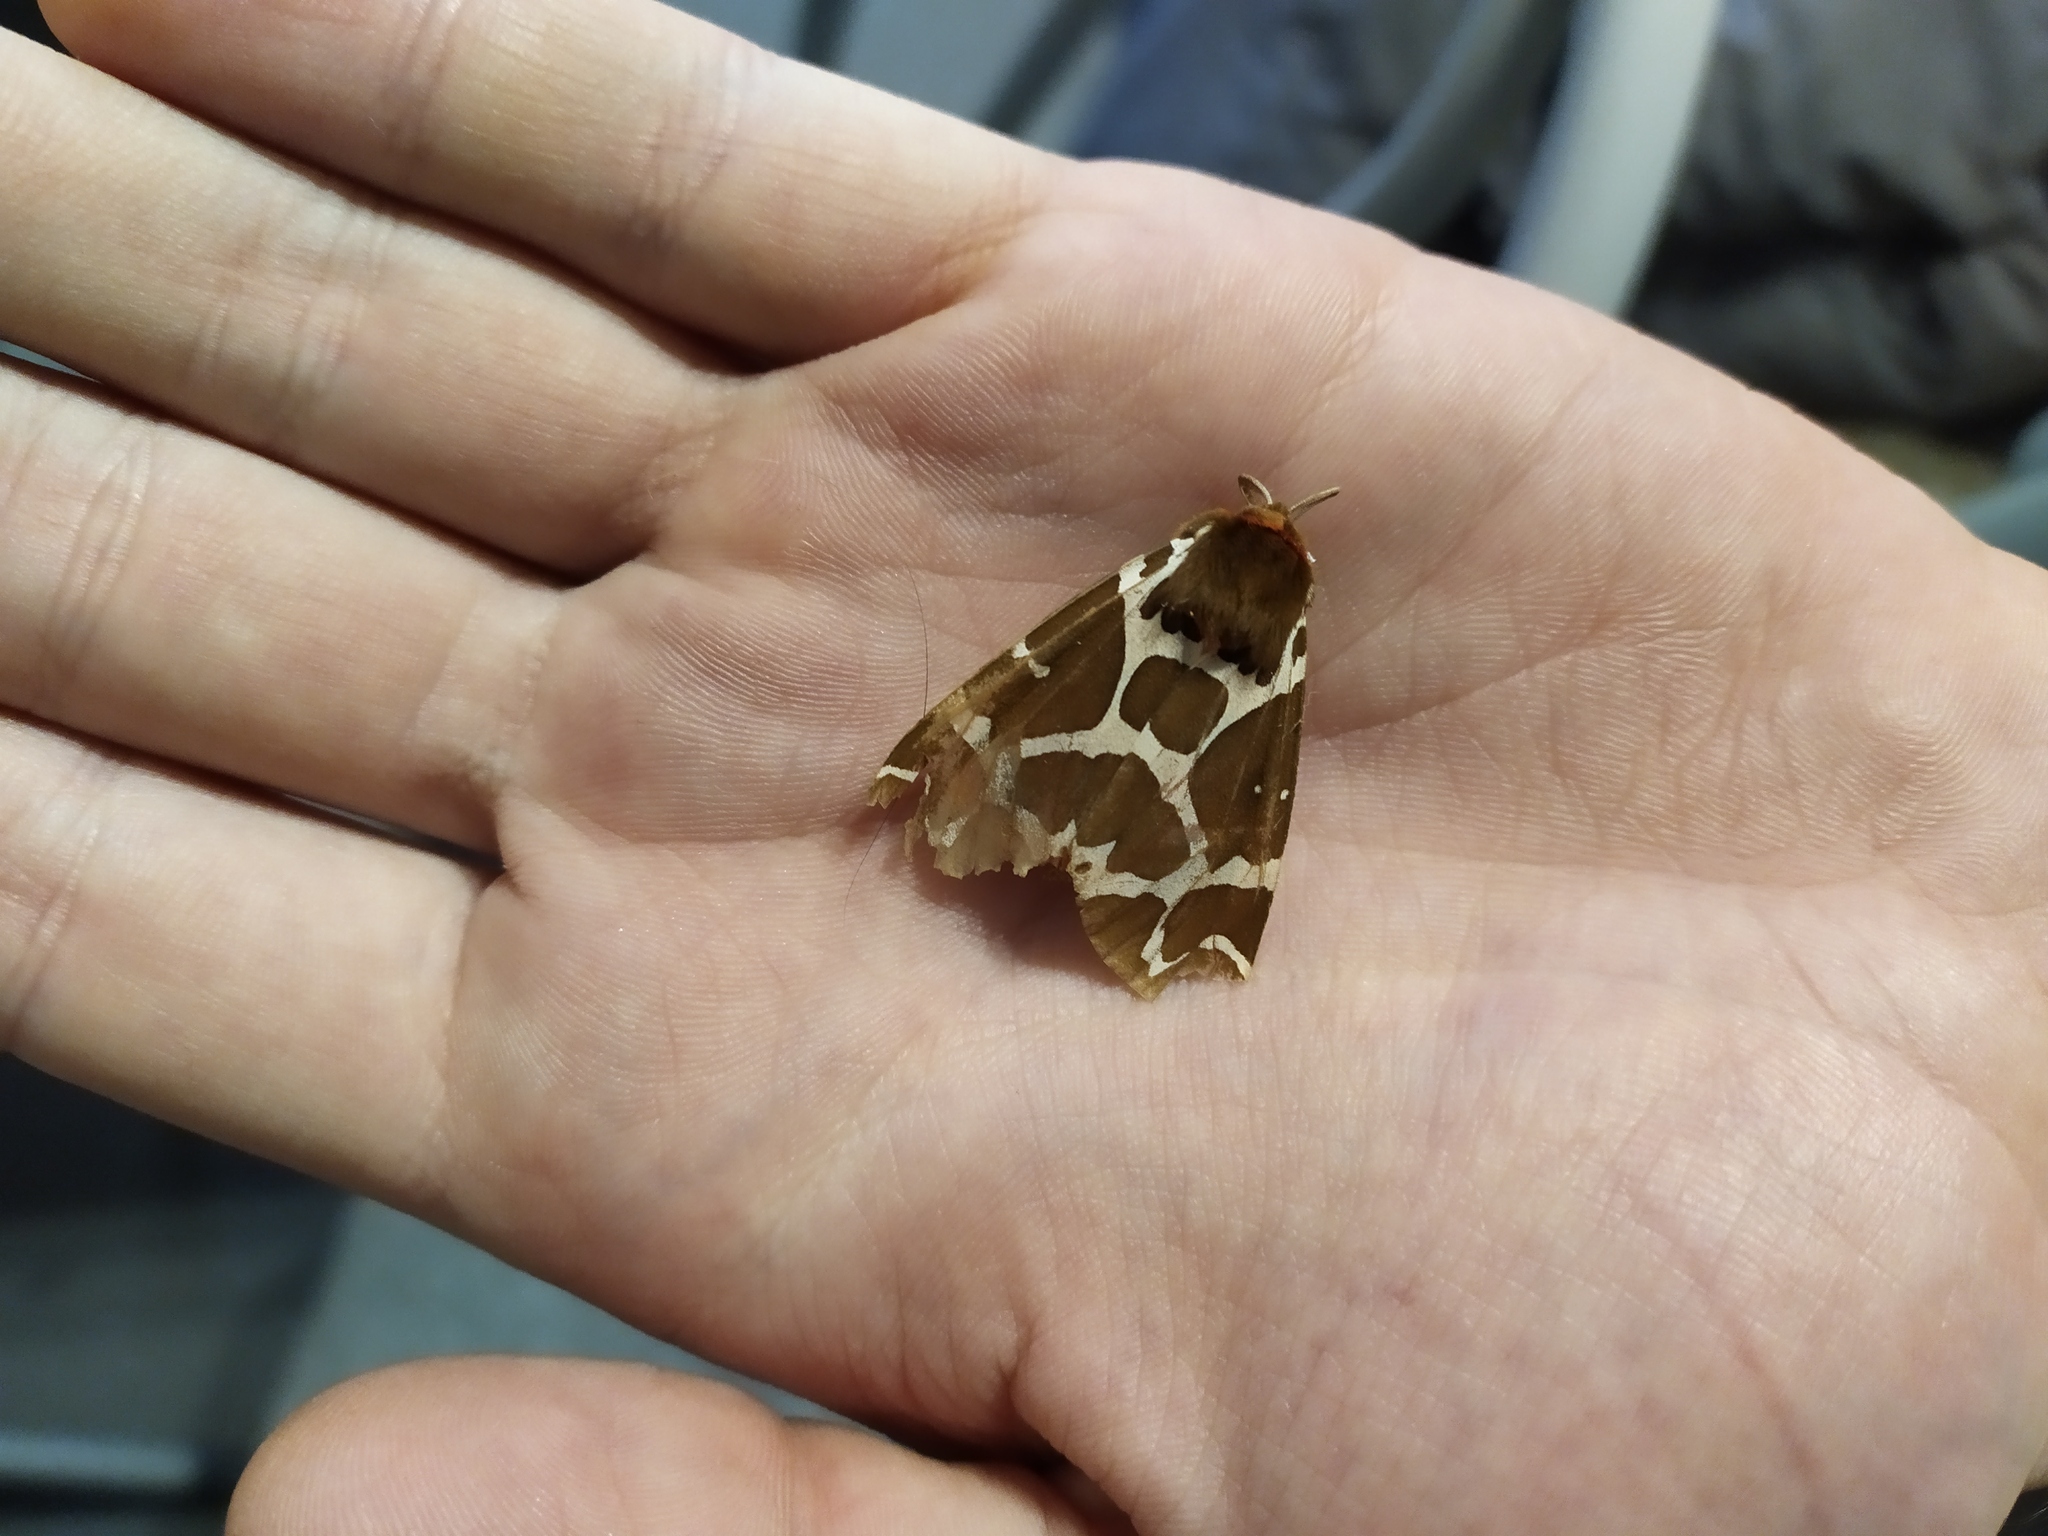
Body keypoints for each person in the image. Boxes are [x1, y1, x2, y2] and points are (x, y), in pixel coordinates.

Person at [1, 1, 2044, 1532]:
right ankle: (1116, 872)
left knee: (1050, 728)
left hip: (1143, 677)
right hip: (1203, 733)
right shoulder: (1247, 606)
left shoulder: (1196, 587)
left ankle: (1059, 835)